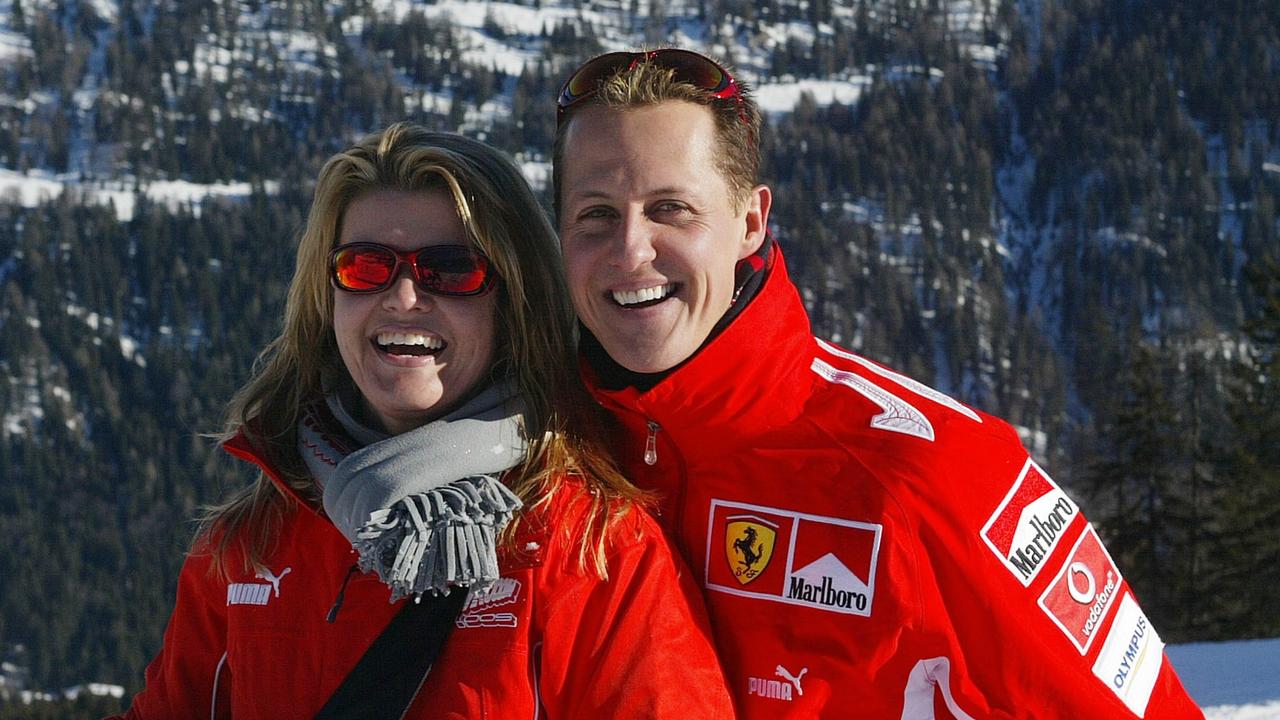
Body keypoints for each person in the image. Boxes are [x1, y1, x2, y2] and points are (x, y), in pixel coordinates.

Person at [552, 49, 1205, 719]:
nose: (630, 249)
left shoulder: (933, 471)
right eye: (596, 214)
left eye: (671, 208)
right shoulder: (546, 455)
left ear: (750, 222)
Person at [113, 123, 734, 718]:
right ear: (327, 297)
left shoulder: (590, 549)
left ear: (514, 304)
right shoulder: (248, 546)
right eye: (364, 267)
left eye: (451, 270)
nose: (404, 297)